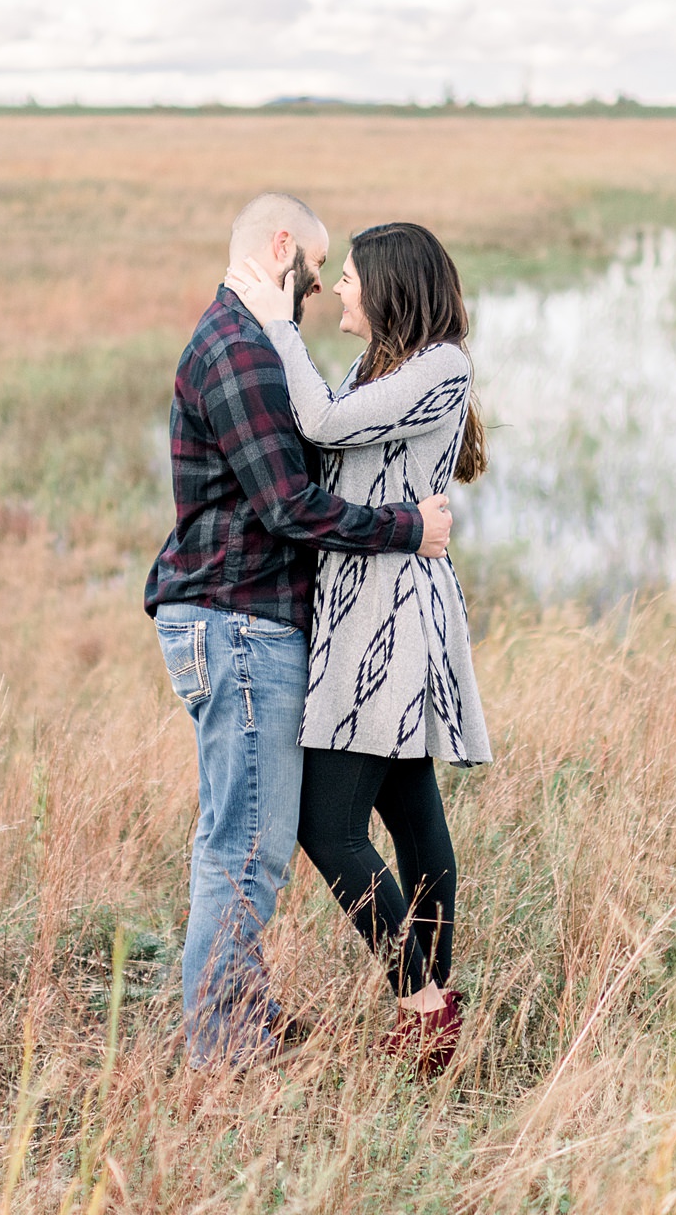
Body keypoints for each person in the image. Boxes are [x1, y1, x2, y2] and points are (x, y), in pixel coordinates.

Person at [147, 193, 455, 1067]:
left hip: (247, 622)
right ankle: (223, 1044)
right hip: (241, 624)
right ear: (282, 247)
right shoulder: (241, 349)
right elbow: (288, 505)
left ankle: (244, 1016)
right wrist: (409, 529)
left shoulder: (245, 343)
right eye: (316, 274)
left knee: (247, 844)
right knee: (246, 852)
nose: (320, 293)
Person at [224, 220, 489, 1076]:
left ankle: (420, 1000)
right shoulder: (381, 367)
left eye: (348, 276)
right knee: (412, 815)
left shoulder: (441, 366)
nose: (337, 288)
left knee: (325, 824)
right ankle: (437, 1005)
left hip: (389, 617)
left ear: (388, 286)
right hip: (364, 608)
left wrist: (275, 324)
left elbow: (328, 426)